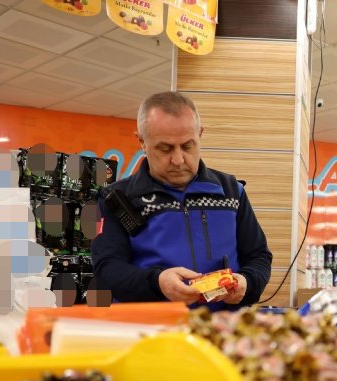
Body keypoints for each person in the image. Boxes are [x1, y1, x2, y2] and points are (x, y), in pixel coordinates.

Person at [91, 91, 272, 309]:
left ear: (200, 135)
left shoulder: (232, 191)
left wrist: (247, 282)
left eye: (187, 146)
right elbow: (107, 270)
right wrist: (158, 283)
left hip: (222, 331)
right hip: (152, 332)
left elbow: (259, 256)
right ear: (142, 142)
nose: (178, 160)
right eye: (164, 148)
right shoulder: (117, 199)